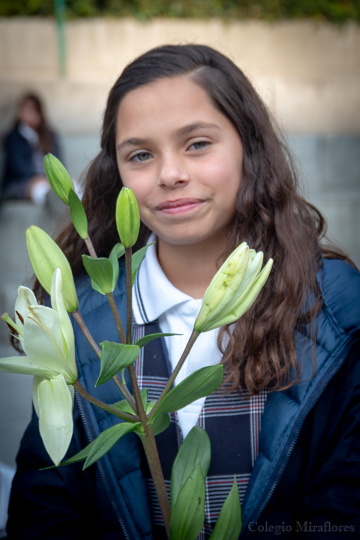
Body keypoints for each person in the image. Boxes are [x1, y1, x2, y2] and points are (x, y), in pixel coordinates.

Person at [6, 45, 360, 539]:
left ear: (248, 147)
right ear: (118, 173)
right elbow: (44, 511)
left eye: (197, 144)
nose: (169, 174)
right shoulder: (81, 324)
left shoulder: (341, 309)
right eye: (141, 154)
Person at [1, 92, 61, 205]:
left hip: (48, 181)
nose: (30, 113)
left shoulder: (49, 136)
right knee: (40, 190)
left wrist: (50, 180)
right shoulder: (14, 137)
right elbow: (17, 167)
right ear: (20, 112)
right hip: (21, 183)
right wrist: (37, 178)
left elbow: (59, 163)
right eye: (26, 109)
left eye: (33, 110)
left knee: (74, 186)